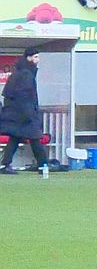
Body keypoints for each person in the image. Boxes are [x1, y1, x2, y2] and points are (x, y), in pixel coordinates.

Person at [0, 46, 52, 174]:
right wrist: (30, 114)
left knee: (15, 138)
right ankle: (43, 165)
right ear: (28, 58)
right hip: (25, 114)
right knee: (35, 138)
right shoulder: (26, 74)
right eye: (35, 57)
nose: (38, 60)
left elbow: (9, 94)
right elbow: (25, 96)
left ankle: (4, 165)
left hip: (16, 113)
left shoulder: (19, 72)